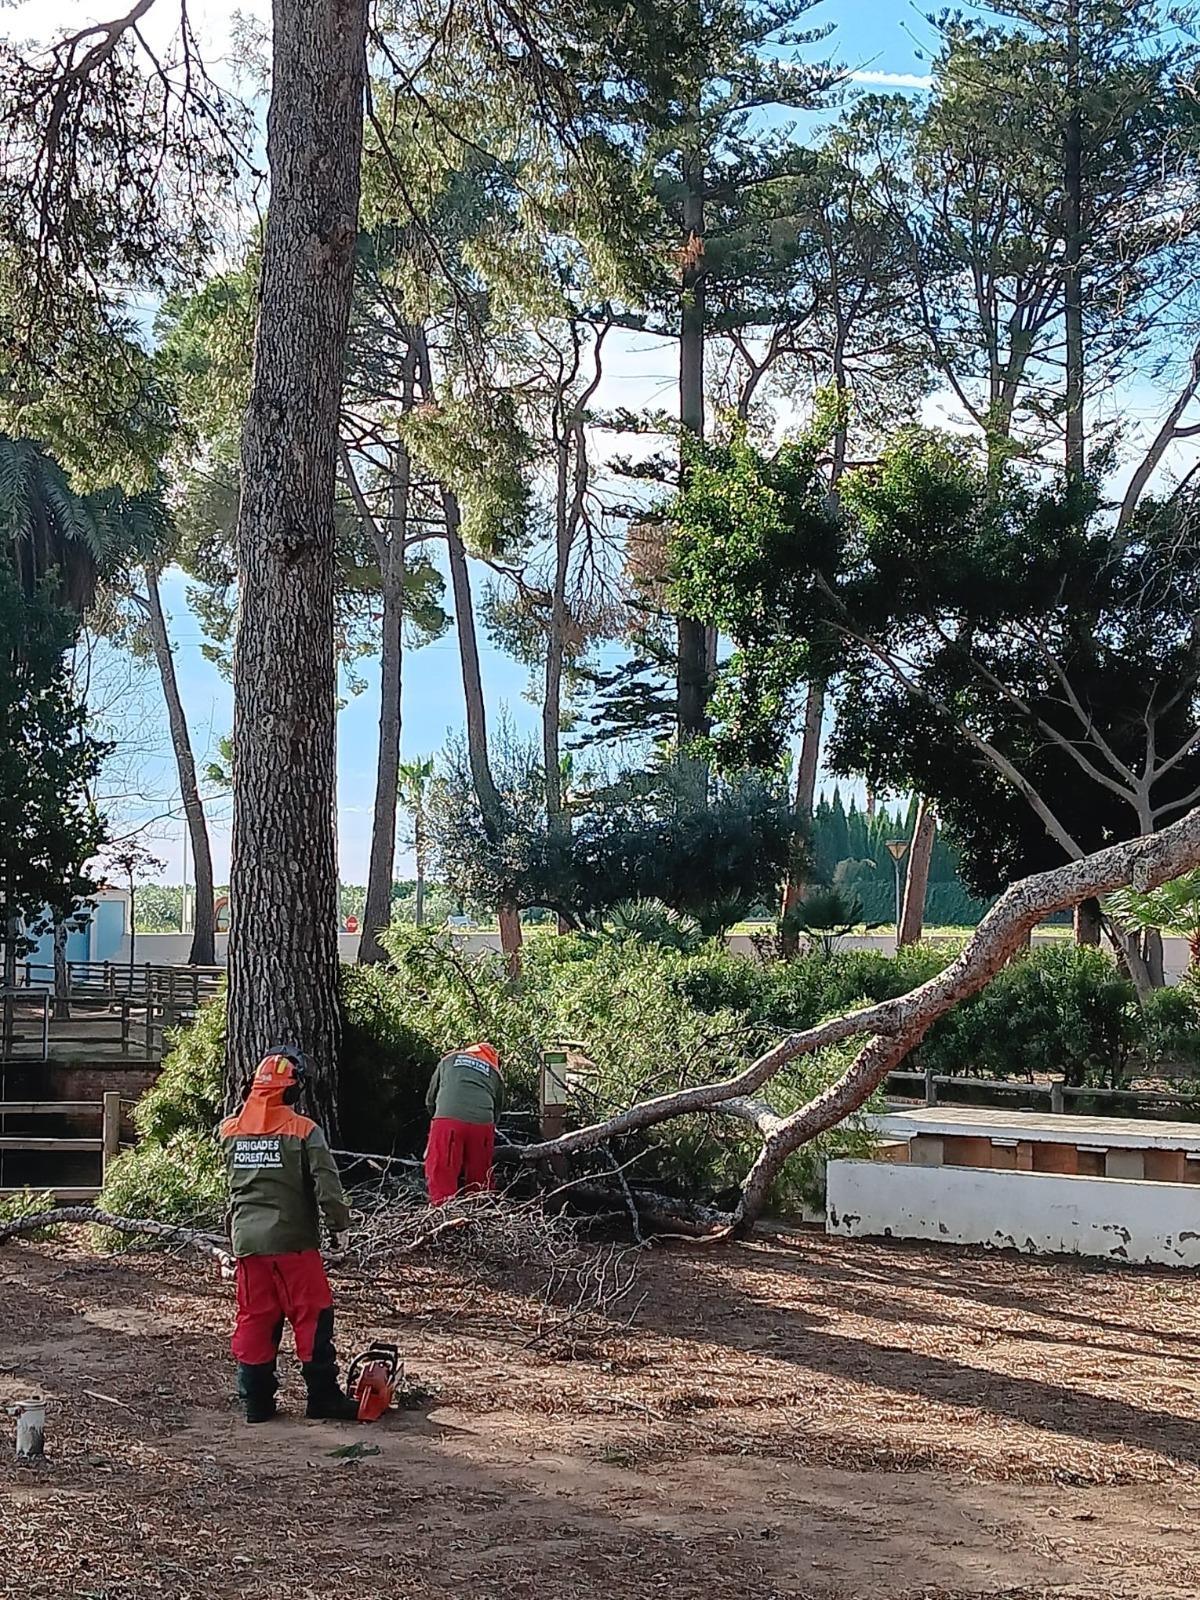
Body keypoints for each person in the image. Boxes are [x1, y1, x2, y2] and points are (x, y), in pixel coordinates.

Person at [219, 1047, 360, 1424]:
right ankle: (322, 1397)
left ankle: (256, 1402)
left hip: (248, 1245)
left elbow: (234, 1188)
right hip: (294, 1243)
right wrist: (339, 1226)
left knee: (255, 1318)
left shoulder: (229, 1131)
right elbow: (327, 1185)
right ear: (292, 1090)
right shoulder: (304, 1130)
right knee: (312, 1314)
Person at [424, 1042, 505, 1205]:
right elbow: (498, 1110)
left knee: (442, 1169)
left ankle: (442, 1209)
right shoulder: (495, 1073)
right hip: (483, 1124)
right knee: (480, 1174)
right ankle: (480, 1209)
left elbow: (430, 1098)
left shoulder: (449, 1060)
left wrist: (438, 1117)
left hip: (448, 1120)